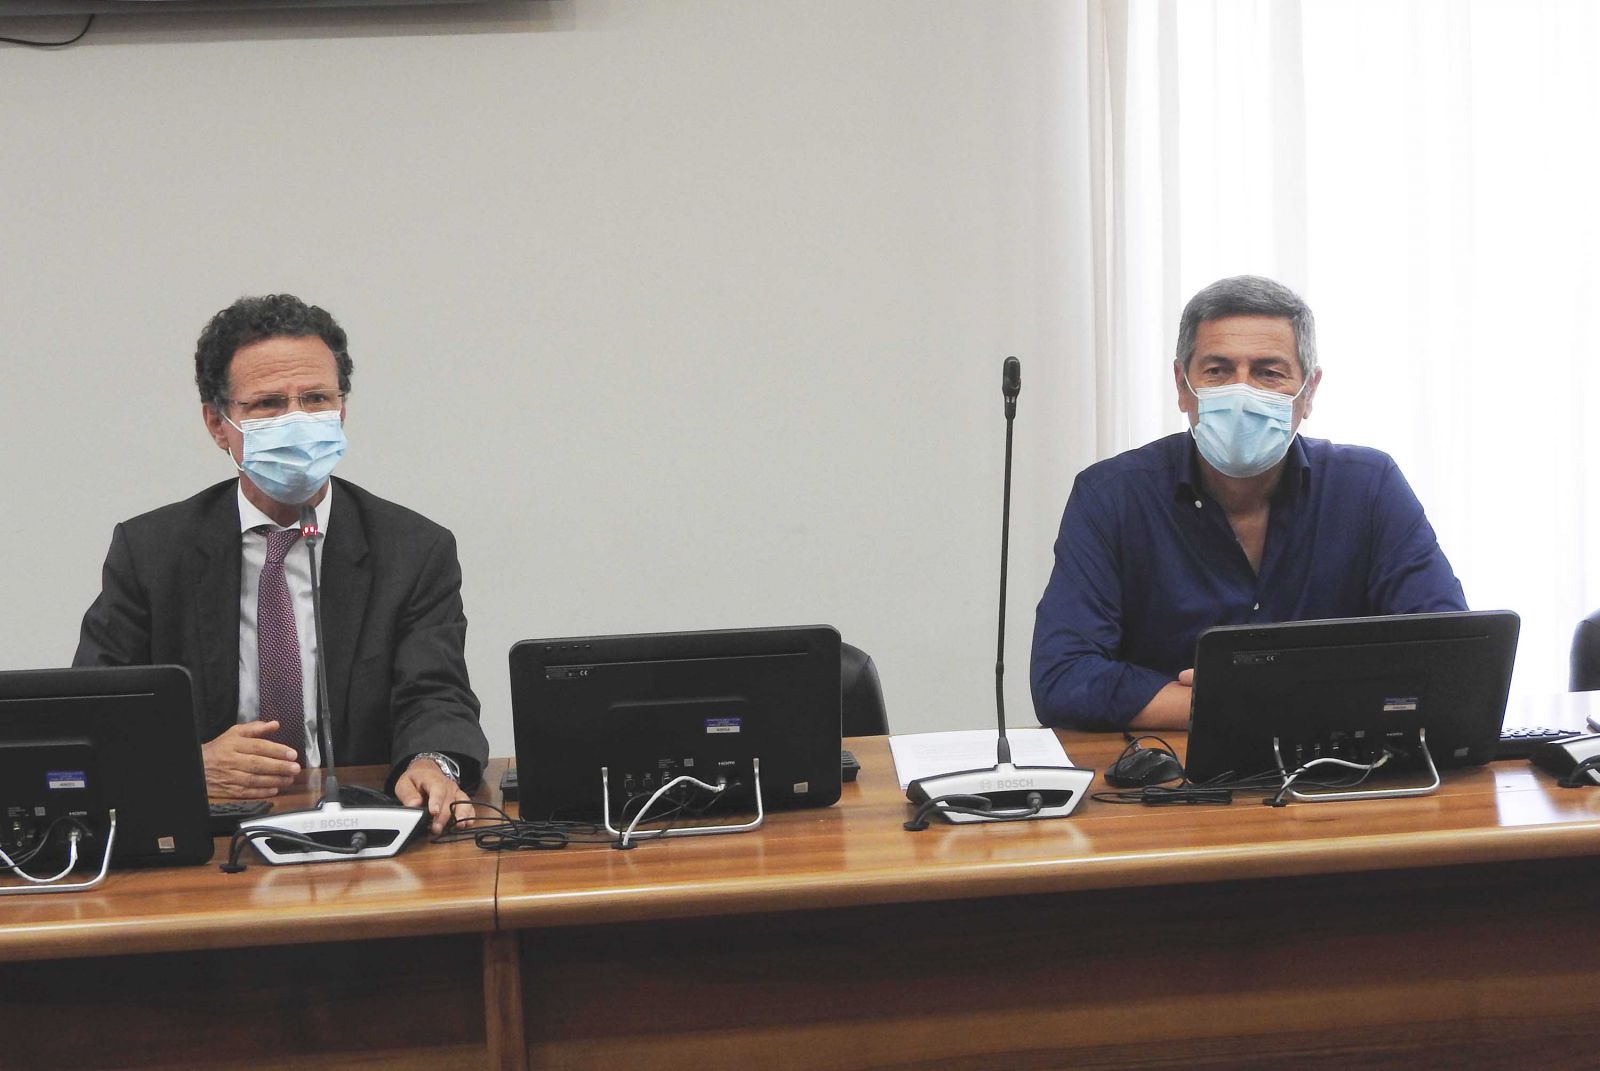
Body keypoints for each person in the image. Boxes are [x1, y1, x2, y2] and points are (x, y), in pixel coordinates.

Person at [74, 294, 488, 832]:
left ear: (342, 411)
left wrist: (431, 762)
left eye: (315, 398)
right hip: (214, 830)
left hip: (366, 823)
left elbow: (436, 693)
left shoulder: (413, 548)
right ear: (218, 424)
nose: (297, 421)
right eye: (268, 404)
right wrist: (186, 764)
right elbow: (96, 714)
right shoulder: (151, 552)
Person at [1031, 275, 1466, 731]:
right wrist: (1258, 702)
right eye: (1217, 371)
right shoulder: (1112, 496)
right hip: (1170, 768)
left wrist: (1246, 699)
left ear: (1308, 392)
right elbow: (1062, 678)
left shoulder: (1369, 488)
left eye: (1268, 372)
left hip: (1338, 765)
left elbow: (1451, 655)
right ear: (1182, 385)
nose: (1242, 393)